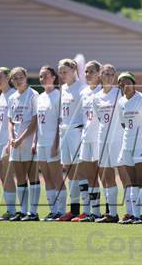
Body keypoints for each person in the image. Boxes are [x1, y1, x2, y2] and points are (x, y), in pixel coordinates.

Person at [117, 72, 142, 224]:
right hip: (127, 143)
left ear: (133, 83)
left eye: (126, 81)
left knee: (141, 179)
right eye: (120, 82)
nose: (123, 85)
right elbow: (124, 124)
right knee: (132, 181)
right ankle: (134, 215)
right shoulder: (121, 102)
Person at [33, 66, 67, 221]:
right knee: (46, 178)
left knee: (57, 178)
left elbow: (60, 123)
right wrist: (35, 142)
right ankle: (53, 211)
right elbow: (38, 123)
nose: (43, 79)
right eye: (41, 77)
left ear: (54, 77)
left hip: (53, 143)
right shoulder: (40, 97)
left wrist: (56, 144)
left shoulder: (58, 96)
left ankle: (61, 211)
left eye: (46, 76)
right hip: (41, 144)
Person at [7, 67, 39, 221]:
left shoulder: (33, 95)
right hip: (15, 143)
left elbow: (34, 120)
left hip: (28, 141)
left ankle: (33, 212)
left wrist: (21, 138)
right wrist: (12, 138)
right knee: (19, 176)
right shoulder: (12, 97)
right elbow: (10, 121)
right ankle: (23, 210)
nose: (18, 80)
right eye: (15, 78)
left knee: (31, 176)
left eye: (20, 77)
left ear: (26, 78)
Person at [93, 64, 123, 223]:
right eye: (106, 74)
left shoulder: (120, 93)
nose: (109, 77)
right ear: (100, 75)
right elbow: (100, 118)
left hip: (118, 139)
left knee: (125, 175)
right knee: (107, 176)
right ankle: (112, 213)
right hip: (102, 139)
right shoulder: (96, 97)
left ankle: (133, 213)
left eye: (112, 74)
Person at [57, 59, 86, 221]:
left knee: (80, 170)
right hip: (65, 132)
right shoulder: (63, 88)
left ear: (74, 70)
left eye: (65, 72)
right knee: (69, 171)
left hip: (77, 131)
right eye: (60, 72)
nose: (62, 75)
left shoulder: (82, 88)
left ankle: (86, 209)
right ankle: (74, 209)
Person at [74, 61, 102, 222]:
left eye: (91, 71)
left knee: (104, 176)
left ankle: (108, 211)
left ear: (99, 73)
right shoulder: (84, 92)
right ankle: (94, 212)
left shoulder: (104, 91)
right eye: (86, 71)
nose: (88, 74)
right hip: (86, 138)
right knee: (90, 176)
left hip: (99, 138)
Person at [0, 67, 17, 221]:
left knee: (9, 176)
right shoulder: (0, 95)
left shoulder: (13, 95)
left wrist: (10, 141)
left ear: (8, 77)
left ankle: (12, 211)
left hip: (8, 142)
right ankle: (10, 210)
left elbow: (13, 122)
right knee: (2, 176)